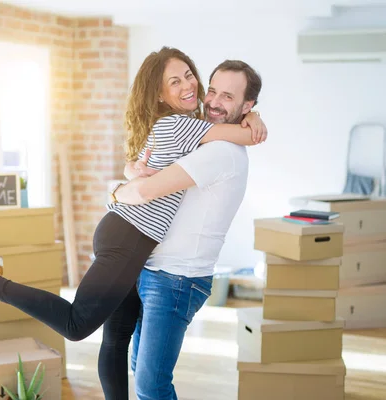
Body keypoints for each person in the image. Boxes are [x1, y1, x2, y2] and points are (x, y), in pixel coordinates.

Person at [0, 48, 266, 348]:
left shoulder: (192, 127)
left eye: (191, 77)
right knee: (77, 324)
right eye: (177, 82)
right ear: (161, 94)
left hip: (132, 238)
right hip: (129, 236)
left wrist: (252, 114)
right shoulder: (186, 127)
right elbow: (243, 137)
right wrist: (253, 119)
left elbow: (139, 168)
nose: (194, 90)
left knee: (116, 336)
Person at [98, 60, 262, 400]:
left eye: (228, 97)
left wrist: (115, 191)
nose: (214, 101)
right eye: (212, 90)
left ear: (247, 105)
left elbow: (145, 191)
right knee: (140, 369)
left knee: (151, 385)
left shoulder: (222, 151)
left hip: (175, 280)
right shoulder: (202, 136)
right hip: (155, 270)